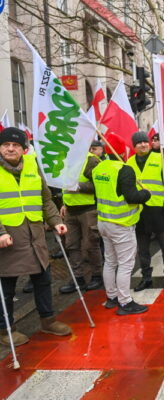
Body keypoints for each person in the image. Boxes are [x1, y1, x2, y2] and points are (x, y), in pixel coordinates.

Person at [0, 127, 71, 346]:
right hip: (9, 238)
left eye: (16, 145)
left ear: (24, 149)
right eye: (5, 145)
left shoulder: (32, 165)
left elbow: (46, 199)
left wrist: (56, 222)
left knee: (43, 278)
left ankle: (48, 320)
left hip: (35, 235)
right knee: (7, 286)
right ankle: (5, 330)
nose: (10, 149)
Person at [92, 133, 151, 315]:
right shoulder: (124, 169)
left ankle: (112, 297)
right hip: (121, 223)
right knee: (125, 264)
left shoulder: (99, 168)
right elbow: (132, 197)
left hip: (104, 221)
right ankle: (125, 302)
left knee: (110, 261)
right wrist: (146, 194)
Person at [127, 132, 164, 291]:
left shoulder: (161, 159)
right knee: (143, 249)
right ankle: (146, 278)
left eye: (145, 142)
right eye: (139, 143)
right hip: (139, 212)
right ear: (134, 146)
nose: (143, 145)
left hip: (159, 210)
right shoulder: (128, 163)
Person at [59, 151, 103, 294]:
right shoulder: (63, 159)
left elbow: (100, 185)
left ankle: (97, 276)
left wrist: (79, 186)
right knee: (72, 245)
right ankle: (78, 278)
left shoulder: (91, 160)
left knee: (91, 244)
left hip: (88, 210)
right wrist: (64, 203)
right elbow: (63, 185)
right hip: (70, 211)